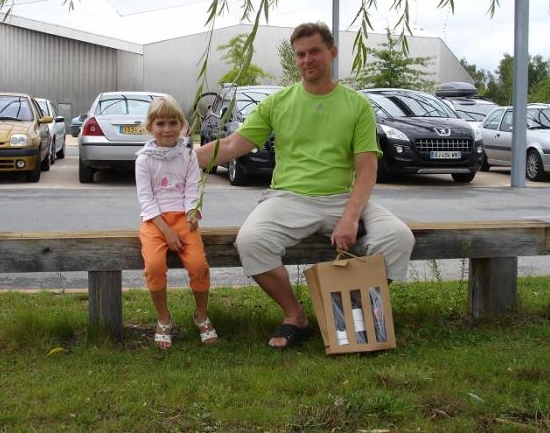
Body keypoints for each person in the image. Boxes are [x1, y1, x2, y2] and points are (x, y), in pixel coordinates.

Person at [195, 22, 414, 350]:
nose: (307, 60)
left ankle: (350, 312)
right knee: (251, 241)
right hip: (288, 198)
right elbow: (230, 146)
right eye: (300, 54)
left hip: (342, 197)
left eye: (314, 51)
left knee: (398, 238)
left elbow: (367, 171)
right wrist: (177, 159)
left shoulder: (357, 105)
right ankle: (295, 316)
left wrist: (350, 217)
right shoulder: (278, 102)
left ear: (332, 52)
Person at [135, 96, 218, 349]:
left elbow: (192, 190)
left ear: (181, 125)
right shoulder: (144, 160)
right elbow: (146, 200)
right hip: (155, 222)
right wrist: (167, 231)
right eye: (160, 123)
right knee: (154, 266)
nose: (167, 129)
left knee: (198, 265)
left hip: (183, 218)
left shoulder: (188, 155)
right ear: (150, 127)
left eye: (173, 123)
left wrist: (193, 212)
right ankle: (164, 318)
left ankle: (201, 314)